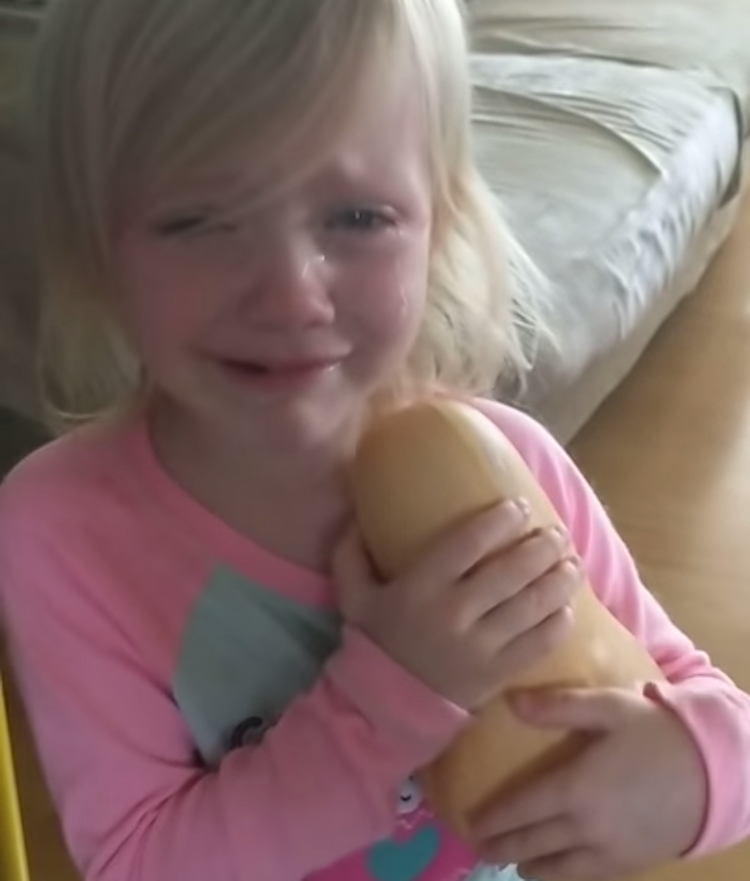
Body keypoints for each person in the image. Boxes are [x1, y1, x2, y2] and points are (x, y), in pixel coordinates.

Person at [1, 1, 749, 880]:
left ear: (441, 225)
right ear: (97, 249)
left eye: (357, 217)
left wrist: (692, 769)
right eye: (198, 220)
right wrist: (391, 692)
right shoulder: (59, 533)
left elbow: (701, 699)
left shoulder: (506, 462)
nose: (288, 295)